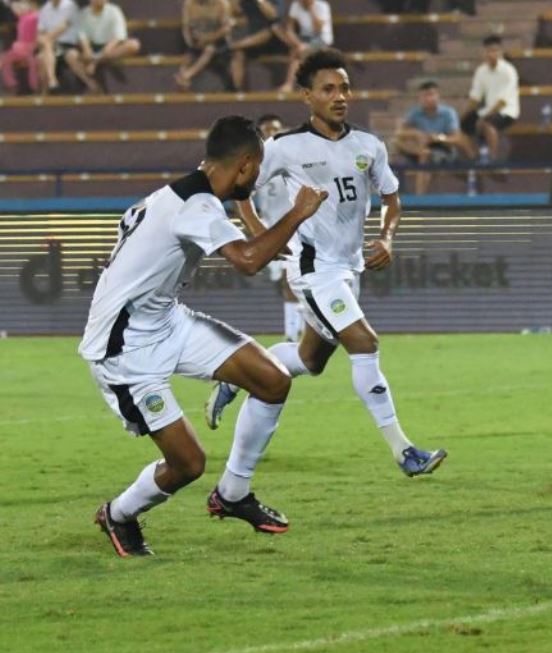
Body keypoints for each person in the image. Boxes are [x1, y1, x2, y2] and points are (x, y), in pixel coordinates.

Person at [84, 116, 328, 556]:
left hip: (166, 321)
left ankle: (233, 494)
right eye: (257, 171)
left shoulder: (180, 194)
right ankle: (118, 514)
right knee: (188, 464)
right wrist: (298, 212)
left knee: (273, 380)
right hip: (124, 349)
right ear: (246, 165)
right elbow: (249, 260)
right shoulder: (195, 206)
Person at [206, 49, 447, 477]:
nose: (340, 96)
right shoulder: (284, 147)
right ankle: (404, 451)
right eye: (328, 89)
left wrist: (387, 236)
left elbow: (392, 198)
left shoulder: (368, 146)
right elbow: (239, 186)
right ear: (307, 96)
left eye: (345, 88)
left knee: (310, 360)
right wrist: (259, 233)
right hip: (314, 270)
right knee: (365, 343)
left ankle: (235, 376)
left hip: (349, 268)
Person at [251, 113, 305, 342]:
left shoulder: (294, 159)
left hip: (297, 230)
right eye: (267, 130)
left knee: (290, 279)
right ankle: (300, 328)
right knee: (287, 282)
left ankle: (292, 335)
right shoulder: (256, 166)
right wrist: (255, 226)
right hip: (270, 230)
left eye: (276, 128)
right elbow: (245, 198)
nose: (272, 133)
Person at [394, 80, 475, 194]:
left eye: (431, 94)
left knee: (425, 155)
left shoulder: (448, 113)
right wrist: (416, 134)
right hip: (421, 148)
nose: (428, 99)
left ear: (438, 96)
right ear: (420, 98)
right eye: (424, 96)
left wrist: (439, 138)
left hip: (443, 150)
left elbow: (457, 138)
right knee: (397, 143)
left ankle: (419, 199)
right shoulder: (415, 112)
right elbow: (399, 132)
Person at [461, 34, 519, 163]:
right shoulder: (481, 71)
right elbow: (475, 97)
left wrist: (484, 117)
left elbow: (503, 101)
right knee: (464, 124)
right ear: (484, 52)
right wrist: (464, 114)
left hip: (507, 111)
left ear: (500, 52)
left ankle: (492, 159)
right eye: (489, 50)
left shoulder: (509, 71)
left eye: (495, 50)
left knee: (488, 124)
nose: (492, 54)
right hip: (487, 109)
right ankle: (473, 157)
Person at [63, 0, 140, 93]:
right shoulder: (84, 14)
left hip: (110, 47)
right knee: (70, 55)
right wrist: (87, 49)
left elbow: (119, 36)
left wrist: (106, 49)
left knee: (133, 45)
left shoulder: (114, 11)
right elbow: (82, 35)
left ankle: (96, 63)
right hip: (92, 47)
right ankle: (91, 84)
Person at [228, 0, 287, 92]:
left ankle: (234, 45)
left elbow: (274, 16)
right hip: (251, 39)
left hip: (274, 41)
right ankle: (236, 89)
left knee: (267, 33)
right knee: (238, 54)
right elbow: (237, 14)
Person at [174, 0, 233, 92]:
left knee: (209, 50)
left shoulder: (222, 4)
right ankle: (184, 84)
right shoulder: (189, 4)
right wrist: (192, 43)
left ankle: (188, 74)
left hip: (218, 43)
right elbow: (186, 28)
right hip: (197, 43)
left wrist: (208, 38)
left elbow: (226, 29)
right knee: (186, 62)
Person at [277, 0, 332, 93]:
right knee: (297, 49)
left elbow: (318, 29)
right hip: (304, 40)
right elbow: (289, 28)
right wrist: (296, 42)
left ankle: (289, 84)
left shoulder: (322, 6)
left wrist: (311, 9)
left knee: (298, 52)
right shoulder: (296, 5)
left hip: (321, 40)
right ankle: (291, 84)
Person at [35, 0, 78, 94]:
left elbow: (64, 26)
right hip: (50, 45)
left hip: (67, 44)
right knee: (41, 58)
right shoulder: (45, 8)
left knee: (47, 45)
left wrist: (46, 39)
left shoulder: (70, 5)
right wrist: (42, 39)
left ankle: (51, 81)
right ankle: (48, 87)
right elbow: (40, 31)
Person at [0, 0, 37, 94]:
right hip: (19, 47)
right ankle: (12, 84)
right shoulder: (21, 19)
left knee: (30, 61)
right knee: (4, 59)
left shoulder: (34, 17)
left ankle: (33, 85)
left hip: (28, 46)